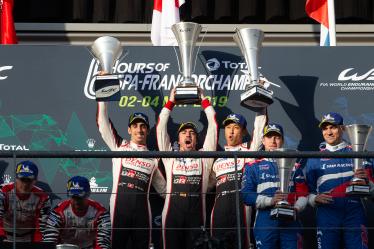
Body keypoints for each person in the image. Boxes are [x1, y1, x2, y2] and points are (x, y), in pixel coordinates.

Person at [96, 100, 166, 249]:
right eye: (135, 126)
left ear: (147, 130)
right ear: (129, 130)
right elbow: (102, 123)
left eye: (142, 126)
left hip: (143, 215)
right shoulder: (119, 146)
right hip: (119, 211)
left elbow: (164, 190)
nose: (139, 130)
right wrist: (102, 99)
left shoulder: (154, 158)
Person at [156, 88, 218, 249]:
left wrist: (204, 100)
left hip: (196, 218)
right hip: (171, 217)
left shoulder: (205, 157)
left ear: (197, 139)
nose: (188, 135)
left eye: (192, 132)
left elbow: (213, 125)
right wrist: (170, 102)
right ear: (178, 139)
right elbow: (160, 128)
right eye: (184, 132)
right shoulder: (170, 157)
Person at [305, 112, 374, 249]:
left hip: (355, 213)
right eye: (325, 128)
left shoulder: (359, 153)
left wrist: (368, 184)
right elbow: (306, 193)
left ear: (342, 129)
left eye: (333, 127)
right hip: (327, 213)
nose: (329, 132)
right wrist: (314, 198)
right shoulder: (314, 159)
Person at [241, 123, 307, 249]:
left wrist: (296, 208)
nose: (273, 140)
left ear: (282, 140)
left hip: (291, 221)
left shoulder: (295, 166)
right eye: (269, 136)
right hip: (265, 222)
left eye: (277, 137)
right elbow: (246, 195)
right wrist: (270, 200)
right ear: (263, 140)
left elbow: (303, 194)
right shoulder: (252, 166)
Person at [209, 112, 267, 249]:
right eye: (228, 127)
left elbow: (259, 132)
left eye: (236, 127)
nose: (231, 131)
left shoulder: (249, 152)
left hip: (241, 208)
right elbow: (206, 186)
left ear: (244, 131)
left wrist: (261, 106)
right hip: (219, 210)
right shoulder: (217, 159)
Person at [44, 176, 111, 249]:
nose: (76, 202)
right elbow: (49, 240)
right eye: (73, 197)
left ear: (88, 194)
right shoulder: (59, 211)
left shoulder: (100, 212)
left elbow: (103, 242)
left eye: (80, 197)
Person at [0, 160, 51, 242]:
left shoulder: (42, 197)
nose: (25, 184)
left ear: (35, 180)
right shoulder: (3, 191)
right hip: (5, 236)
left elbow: (41, 227)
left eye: (29, 180)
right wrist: (2, 238)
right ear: (16, 178)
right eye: (22, 179)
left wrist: (38, 244)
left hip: (28, 238)